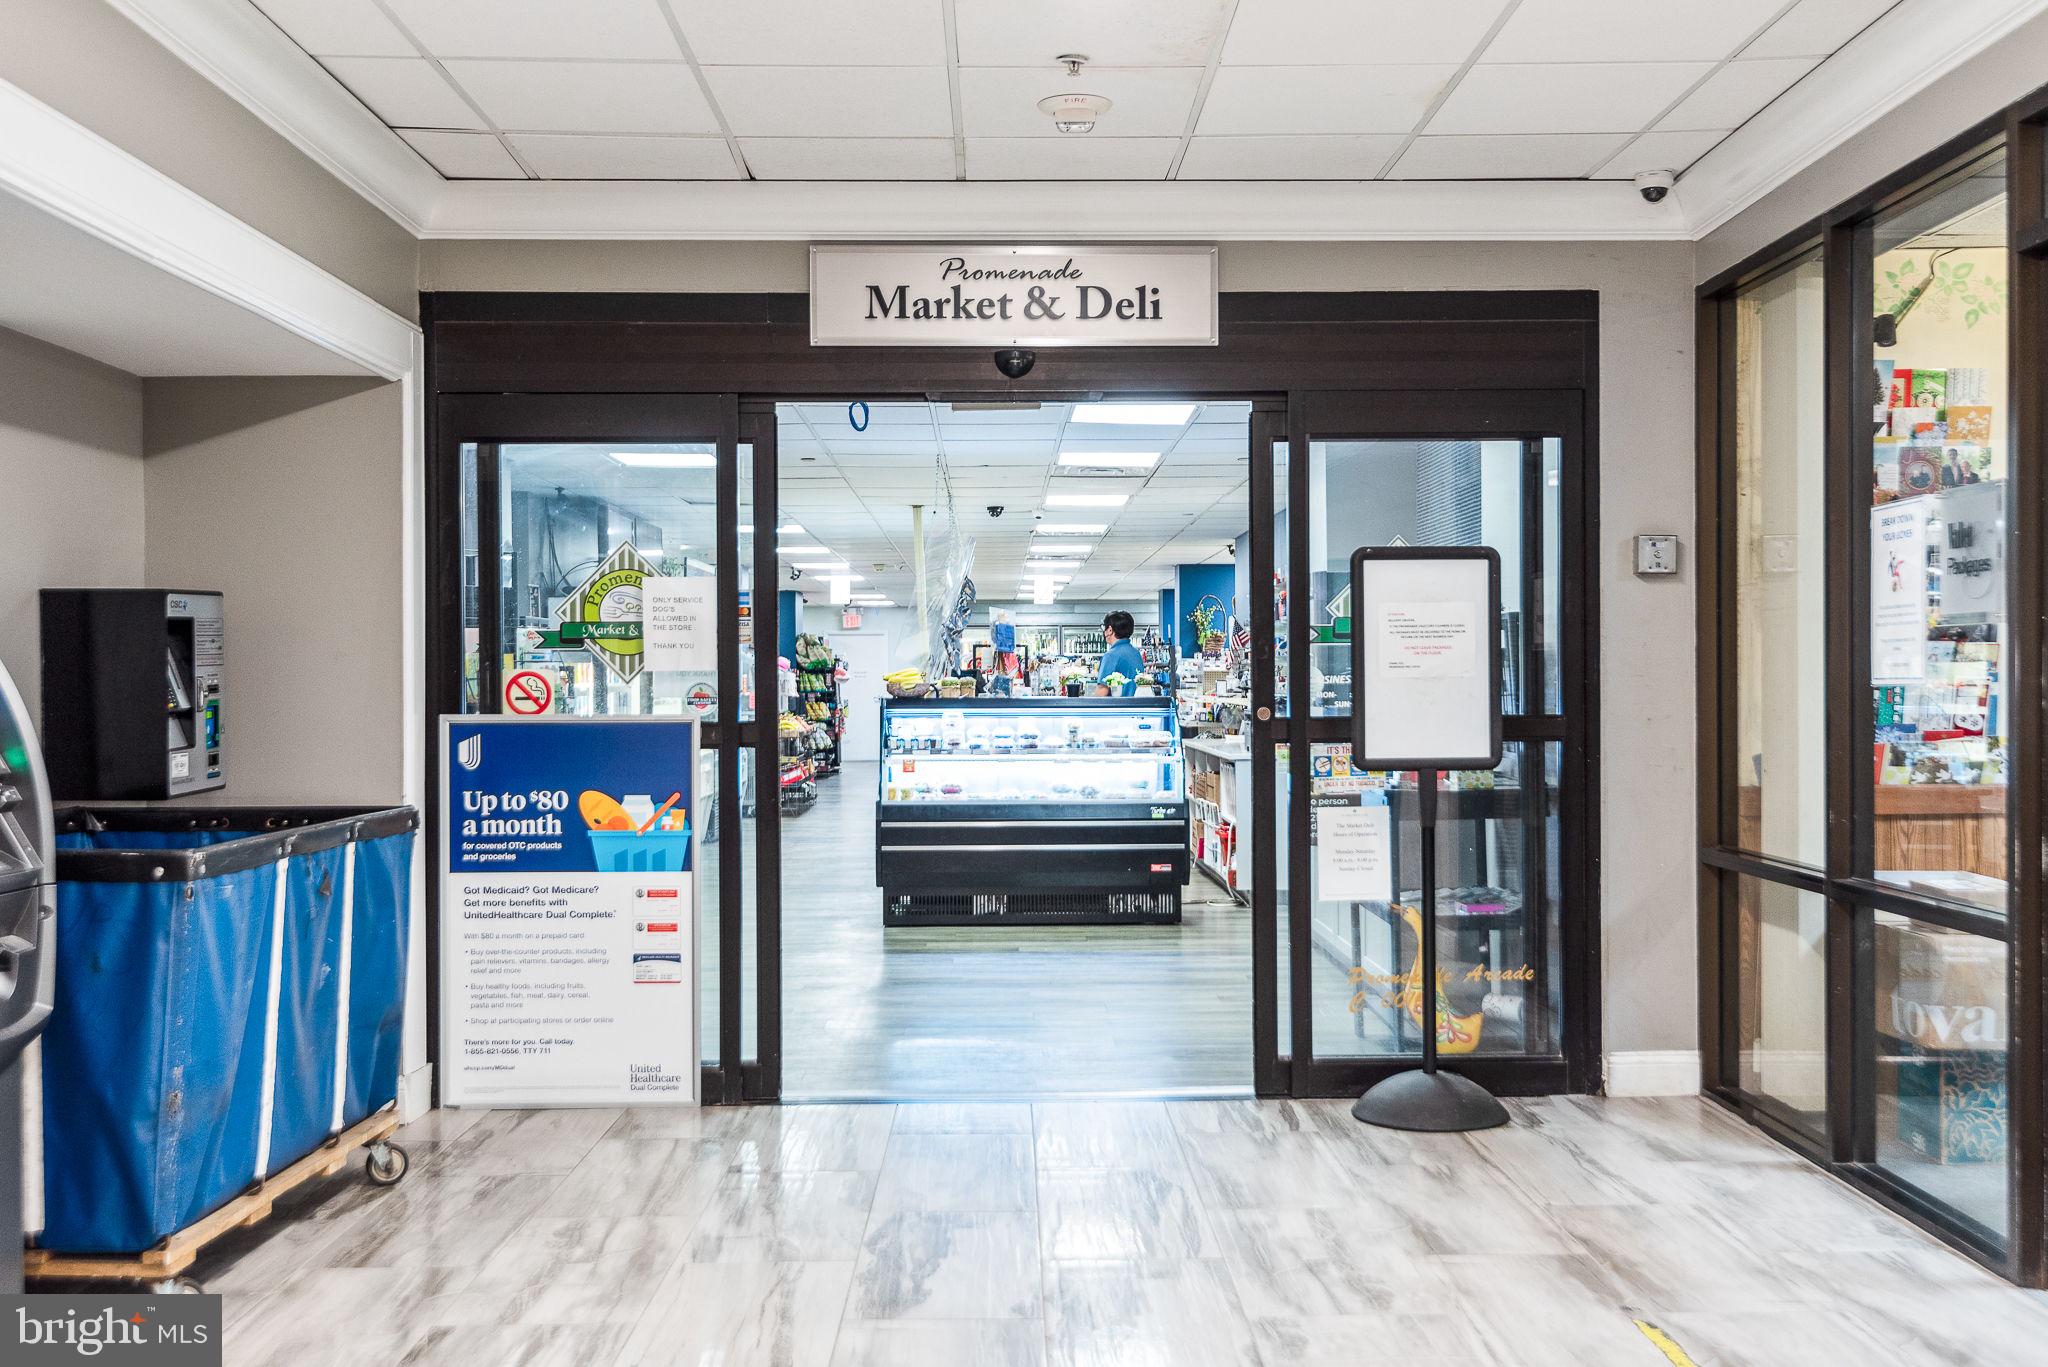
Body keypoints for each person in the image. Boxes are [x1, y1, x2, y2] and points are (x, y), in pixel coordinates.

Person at [1094, 610, 1143, 697]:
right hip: (1136, 706)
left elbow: (1102, 691)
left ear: (1109, 630)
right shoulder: (1136, 654)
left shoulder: (1110, 655)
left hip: (1118, 708)